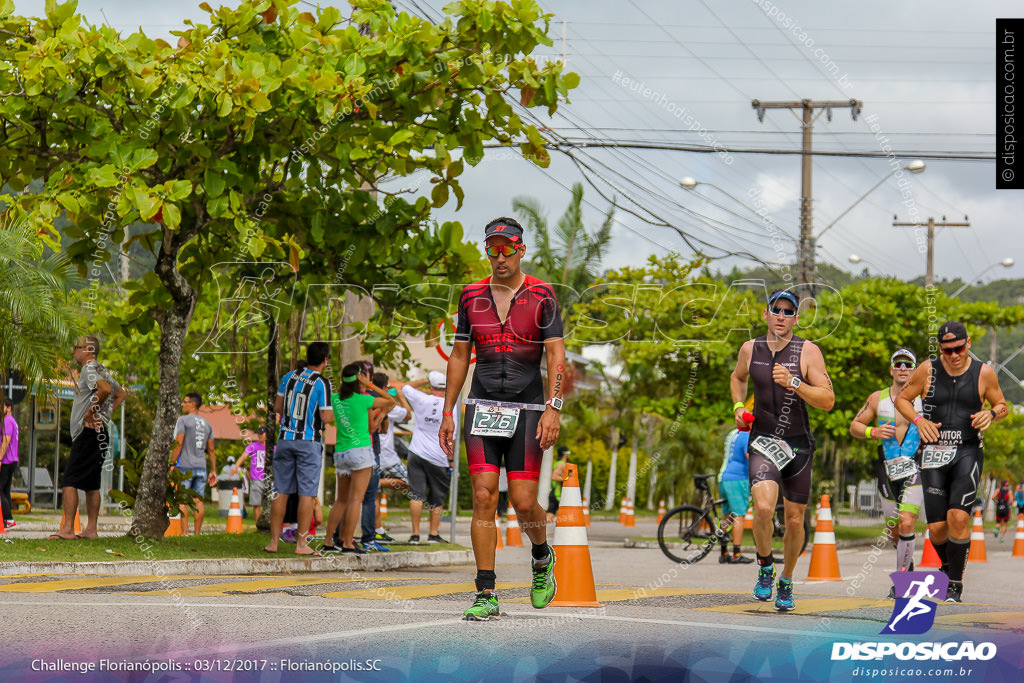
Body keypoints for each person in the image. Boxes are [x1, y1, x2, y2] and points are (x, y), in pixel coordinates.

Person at [440, 216, 564, 621]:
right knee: (483, 496)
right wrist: (448, 410)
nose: (499, 256)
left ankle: (542, 558)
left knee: (526, 503)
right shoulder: (470, 296)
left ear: (521, 250)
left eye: (506, 248)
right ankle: (486, 590)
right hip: (482, 406)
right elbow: (460, 356)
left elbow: (556, 356)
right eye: (492, 248)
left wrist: (553, 408)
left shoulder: (543, 295)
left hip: (529, 409)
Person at [729, 289, 834, 611]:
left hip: (798, 444)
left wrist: (794, 383)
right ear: (766, 314)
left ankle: (786, 578)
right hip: (762, 439)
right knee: (762, 508)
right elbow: (737, 377)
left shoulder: (808, 352)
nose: (782, 316)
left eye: (789, 312)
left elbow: (828, 401)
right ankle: (765, 566)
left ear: (796, 319)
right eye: (777, 309)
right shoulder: (750, 349)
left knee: (794, 519)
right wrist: (737, 405)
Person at [895, 321, 1008, 603]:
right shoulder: (928, 369)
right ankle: (947, 566)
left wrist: (991, 415)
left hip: (967, 451)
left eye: (958, 348)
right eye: (948, 351)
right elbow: (903, 399)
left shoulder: (984, 372)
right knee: (936, 527)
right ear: (941, 350)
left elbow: (1001, 404)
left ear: (968, 343)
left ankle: (954, 583)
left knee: (958, 517)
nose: (954, 355)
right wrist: (918, 421)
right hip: (932, 453)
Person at [849, 348, 924, 595]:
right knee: (894, 528)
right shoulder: (877, 398)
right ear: (892, 370)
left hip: (915, 465)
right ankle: (907, 561)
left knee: (906, 521)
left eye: (908, 364)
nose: (903, 368)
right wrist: (874, 432)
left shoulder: (924, 397)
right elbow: (855, 425)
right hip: (887, 469)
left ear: (914, 370)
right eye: (898, 364)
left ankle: (902, 583)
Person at [52, 335, 127, 540]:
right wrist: (105, 415)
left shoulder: (88, 369)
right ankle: (91, 530)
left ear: (87, 350)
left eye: (76, 347)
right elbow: (120, 393)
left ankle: (67, 529)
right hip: (100, 432)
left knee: (70, 480)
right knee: (92, 483)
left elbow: (105, 389)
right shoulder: (102, 369)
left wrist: (92, 413)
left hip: (88, 432)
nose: (74, 351)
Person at [263, 342, 334, 556]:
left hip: (285, 439)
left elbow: (277, 407)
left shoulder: (289, 377)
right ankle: (301, 544)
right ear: (325, 360)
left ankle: (273, 542)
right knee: (307, 493)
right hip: (309, 441)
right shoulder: (322, 383)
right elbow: (326, 417)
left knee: (280, 491)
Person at [323, 362, 395, 554]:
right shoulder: (363, 400)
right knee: (356, 499)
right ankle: (347, 542)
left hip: (341, 452)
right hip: (361, 451)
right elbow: (391, 401)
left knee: (341, 500)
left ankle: (329, 541)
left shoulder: (335, 399)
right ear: (359, 379)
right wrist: (370, 386)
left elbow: (328, 418)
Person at [402, 371, 455, 544]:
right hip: (438, 456)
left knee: (416, 495)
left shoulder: (421, 399)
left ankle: (415, 535)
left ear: (431, 387)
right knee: (437, 497)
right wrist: (451, 458)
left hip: (416, 452)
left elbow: (406, 387)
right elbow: (451, 436)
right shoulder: (451, 406)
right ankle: (433, 534)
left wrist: (426, 379)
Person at [169, 392, 217, 535]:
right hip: (201, 467)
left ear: (193, 404)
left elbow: (179, 442)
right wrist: (213, 470)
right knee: (198, 500)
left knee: (182, 499)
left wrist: (172, 463)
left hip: (185, 466)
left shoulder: (183, 421)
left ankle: (185, 533)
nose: (182, 405)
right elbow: (212, 450)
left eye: (185, 402)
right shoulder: (207, 424)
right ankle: (197, 534)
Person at [372, 372, 411, 543]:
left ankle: (378, 530)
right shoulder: (389, 405)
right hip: (387, 456)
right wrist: (401, 395)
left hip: (372, 452)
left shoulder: (368, 400)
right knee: (412, 483)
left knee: (375, 496)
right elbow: (408, 415)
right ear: (385, 387)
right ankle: (374, 482)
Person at [718, 427, 754, 564]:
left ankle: (724, 552)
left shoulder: (732, 433)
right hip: (738, 478)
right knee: (739, 515)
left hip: (723, 477)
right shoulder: (746, 436)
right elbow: (749, 456)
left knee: (727, 515)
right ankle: (736, 554)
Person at [232, 426, 267, 521]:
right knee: (257, 504)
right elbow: (243, 456)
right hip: (256, 479)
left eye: (262, 433)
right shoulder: (253, 446)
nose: (259, 435)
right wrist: (236, 467)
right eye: (258, 433)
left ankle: (269, 525)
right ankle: (258, 524)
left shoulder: (273, 447)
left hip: (269, 479)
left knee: (270, 505)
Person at [0, 398, 18, 528]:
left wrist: (0, 459)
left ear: (9, 408)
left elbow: (6, 441)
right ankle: (8, 519)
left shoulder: (7, 421)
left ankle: (8, 518)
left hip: (6, 460)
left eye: (2, 407)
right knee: (5, 490)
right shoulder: (12, 422)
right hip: (11, 460)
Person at [545, 445, 571, 523]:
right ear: (565, 454)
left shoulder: (558, 462)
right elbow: (554, 476)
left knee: (550, 515)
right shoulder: (561, 464)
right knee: (567, 513)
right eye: (568, 453)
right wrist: (568, 479)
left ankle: (538, 529)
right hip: (557, 493)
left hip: (554, 492)